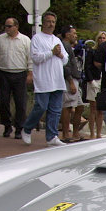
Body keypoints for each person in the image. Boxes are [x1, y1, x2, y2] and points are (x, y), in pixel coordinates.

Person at [20, 11, 68, 147]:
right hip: (44, 79)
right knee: (41, 107)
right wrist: (51, 52)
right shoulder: (37, 38)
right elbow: (36, 58)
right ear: (43, 22)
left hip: (57, 79)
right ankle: (27, 128)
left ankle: (52, 137)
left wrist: (59, 54)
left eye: (53, 22)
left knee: (55, 109)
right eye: (48, 21)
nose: (51, 24)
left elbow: (65, 60)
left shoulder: (57, 40)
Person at [0, 17, 32, 139]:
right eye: (6, 26)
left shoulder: (25, 40)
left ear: (16, 27)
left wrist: (30, 73)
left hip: (20, 73)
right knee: (3, 102)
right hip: (4, 73)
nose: (7, 29)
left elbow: (30, 58)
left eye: (9, 26)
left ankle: (19, 128)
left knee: (20, 103)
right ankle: (7, 125)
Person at [59, 25, 86, 142]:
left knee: (79, 106)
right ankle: (65, 133)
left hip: (75, 78)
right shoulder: (64, 45)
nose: (75, 36)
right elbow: (65, 65)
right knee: (68, 106)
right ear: (67, 34)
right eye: (73, 33)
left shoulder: (69, 46)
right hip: (69, 80)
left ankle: (75, 132)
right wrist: (70, 82)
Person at [84, 32, 106, 139]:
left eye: (104, 38)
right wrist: (90, 80)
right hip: (93, 81)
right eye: (100, 38)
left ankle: (98, 133)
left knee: (101, 109)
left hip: (103, 81)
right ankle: (92, 132)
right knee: (93, 108)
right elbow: (87, 67)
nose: (102, 39)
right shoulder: (92, 51)